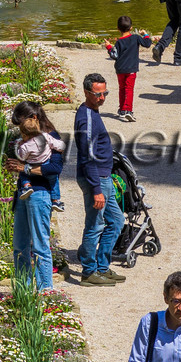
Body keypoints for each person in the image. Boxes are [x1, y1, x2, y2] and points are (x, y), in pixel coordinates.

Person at [73, 73, 126, 284]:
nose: (102, 98)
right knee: (95, 226)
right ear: (86, 93)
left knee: (116, 221)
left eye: (105, 93)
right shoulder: (85, 118)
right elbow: (87, 157)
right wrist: (96, 189)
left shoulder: (94, 111)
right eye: (98, 94)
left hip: (105, 177)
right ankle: (88, 271)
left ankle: (103, 267)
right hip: (95, 179)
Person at [6, 100, 62, 291]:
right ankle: (23, 289)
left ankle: (46, 291)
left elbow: (55, 168)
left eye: (21, 123)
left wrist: (25, 168)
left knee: (40, 246)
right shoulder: (27, 139)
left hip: (40, 194)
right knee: (19, 246)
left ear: (34, 117)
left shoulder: (50, 137)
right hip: (23, 194)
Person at [105, 15, 150, 122]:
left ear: (118, 28)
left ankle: (121, 109)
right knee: (129, 89)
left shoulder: (119, 42)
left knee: (122, 88)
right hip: (131, 69)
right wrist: (145, 34)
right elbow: (147, 44)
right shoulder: (136, 37)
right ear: (131, 28)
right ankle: (128, 110)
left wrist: (109, 47)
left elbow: (114, 55)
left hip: (120, 69)